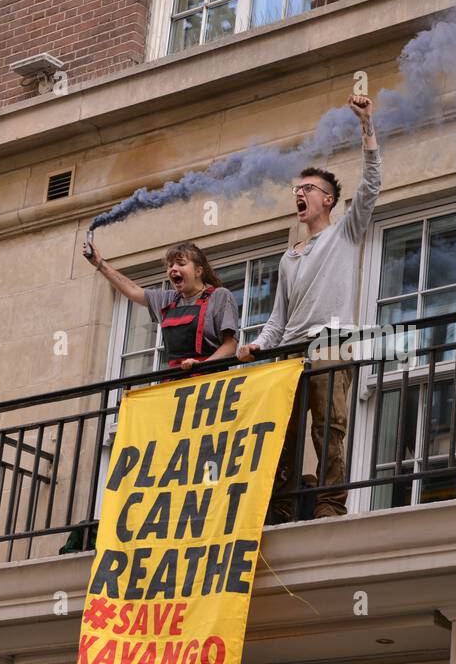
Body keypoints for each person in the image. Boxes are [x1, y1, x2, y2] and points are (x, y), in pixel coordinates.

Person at [236, 94, 381, 521]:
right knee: (285, 431)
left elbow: (371, 187)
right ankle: (281, 506)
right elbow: (277, 322)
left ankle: (330, 502)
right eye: (296, 189)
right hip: (289, 352)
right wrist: (256, 347)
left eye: (308, 189)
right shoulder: (290, 256)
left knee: (328, 426)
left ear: (329, 201)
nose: (299, 194)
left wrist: (367, 125)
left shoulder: (344, 235)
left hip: (332, 341)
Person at [83, 240, 240, 372]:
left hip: (210, 381)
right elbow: (132, 290)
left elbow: (231, 345)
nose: (173, 269)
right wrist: (99, 263)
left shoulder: (219, 296)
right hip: (174, 383)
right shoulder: (167, 300)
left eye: (181, 264)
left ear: (198, 271)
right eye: (170, 265)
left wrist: (201, 366)